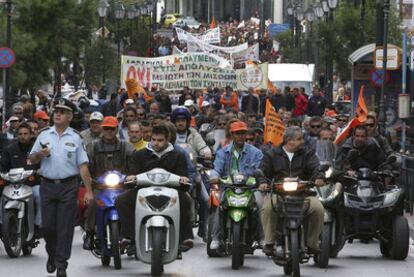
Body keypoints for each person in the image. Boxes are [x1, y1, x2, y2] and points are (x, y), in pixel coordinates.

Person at [29, 99, 93, 277]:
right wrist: (40, 155)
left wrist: (88, 190)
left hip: (68, 186)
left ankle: (61, 264)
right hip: (47, 185)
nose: (57, 114)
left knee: (65, 227)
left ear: (70, 117)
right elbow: (31, 159)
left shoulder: (76, 137)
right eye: (56, 110)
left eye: (62, 112)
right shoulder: (43, 135)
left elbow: (83, 166)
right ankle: (52, 254)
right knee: (48, 227)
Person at [115, 125, 193, 254]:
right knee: (121, 200)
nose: (156, 143)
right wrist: (131, 177)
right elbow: (132, 173)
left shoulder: (177, 155)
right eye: (154, 139)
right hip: (143, 191)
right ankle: (128, 236)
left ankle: (184, 237)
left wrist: (183, 179)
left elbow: (183, 176)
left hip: (170, 192)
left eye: (160, 140)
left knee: (186, 200)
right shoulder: (140, 154)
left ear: (168, 139)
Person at [258, 126, 325, 255]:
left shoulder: (308, 153)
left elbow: (316, 167)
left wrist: (319, 177)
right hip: (279, 194)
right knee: (267, 207)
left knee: (318, 208)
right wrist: (262, 182)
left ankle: (312, 243)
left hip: (303, 194)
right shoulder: (272, 154)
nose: (303, 141)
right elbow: (263, 171)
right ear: (289, 140)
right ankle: (269, 242)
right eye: (299, 139)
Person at [209, 121, 264, 250]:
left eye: (243, 133)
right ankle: (216, 238)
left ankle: (262, 238)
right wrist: (214, 177)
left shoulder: (256, 153)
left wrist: (260, 181)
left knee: (260, 205)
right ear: (232, 135)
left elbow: (260, 170)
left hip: (250, 189)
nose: (241, 136)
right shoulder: (223, 152)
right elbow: (216, 168)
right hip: (228, 188)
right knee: (219, 205)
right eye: (237, 133)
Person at [83, 116, 134, 250]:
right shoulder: (92, 146)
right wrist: (89, 180)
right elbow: (85, 166)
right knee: (93, 204)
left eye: (112, 129)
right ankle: (89, 232)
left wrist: (131, 177)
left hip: (122, 186)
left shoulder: (126, 146)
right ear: (102, 129)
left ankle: (131, 236)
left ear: (117, 129)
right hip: (99, 186)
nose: (109, 132)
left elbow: (134, 163)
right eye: (106, 128)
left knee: (132, 204)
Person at [0, 123, 42, 235]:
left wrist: (39, 171)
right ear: (17, 135)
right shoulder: (9, 149)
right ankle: (1, 224)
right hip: (13, 184)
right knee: (2, 197)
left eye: (25, 134)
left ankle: (38, 226)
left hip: (32, 183)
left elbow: (42, 165)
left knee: (40, 196)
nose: (23, 136)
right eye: (20, 134)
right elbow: (3, 165)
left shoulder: (36, 149)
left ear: (31, 134)